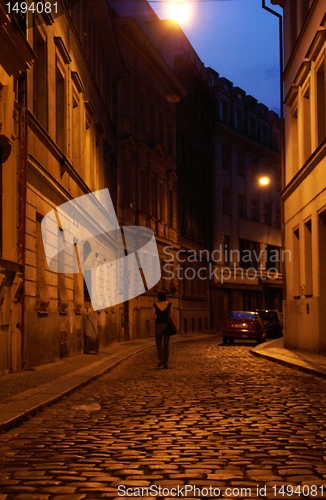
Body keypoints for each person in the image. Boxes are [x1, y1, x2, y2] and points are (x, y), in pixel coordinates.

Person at [152, 291, 174, 369]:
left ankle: (161, 359)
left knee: (158, 344)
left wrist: (157, 320)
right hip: (167, 325)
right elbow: (171, 316)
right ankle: (165, 362)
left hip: (159, 326)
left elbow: (153, 316)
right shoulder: (169, 304)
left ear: (158, 297)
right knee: (166, 345)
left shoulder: (155, 305)